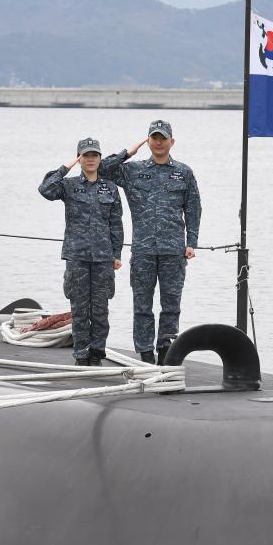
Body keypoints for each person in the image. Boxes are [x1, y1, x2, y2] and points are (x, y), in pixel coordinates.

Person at [98, 120, 201, 364]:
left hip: (174, 250)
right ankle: (145, 353)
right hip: (143, 250)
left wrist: (192, 241)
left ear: (171, 142)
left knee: (171, 304)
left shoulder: (184, 172)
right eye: (153, 137)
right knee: (142, 305)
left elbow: (193, 208)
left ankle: (166, 349)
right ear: (148, 141)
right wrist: (128, 152)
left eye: (162, 138)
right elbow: (101, 170)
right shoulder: (133, 171)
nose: (158, 142)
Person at [38, 137, 123, 366]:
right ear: (80, 158)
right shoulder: (68, 185)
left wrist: (117, 255)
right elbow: (45, 189)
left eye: (94, 155)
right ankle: (81, 354)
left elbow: (116, 224)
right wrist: (66, 167)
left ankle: (97, 353)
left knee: (100, 309)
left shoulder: (111, 188)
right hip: (77, 257)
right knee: (79, 309)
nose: (90, 159)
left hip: (103, 258)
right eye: (86, 155)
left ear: (100, 158)